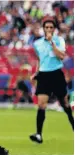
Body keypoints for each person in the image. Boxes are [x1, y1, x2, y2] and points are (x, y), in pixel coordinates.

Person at [30, 16, 73, 144]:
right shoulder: (37, 44)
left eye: (51, 27)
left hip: (56, 74)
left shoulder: (59, 40)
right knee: (41, 104)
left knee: (64, 103)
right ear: (43, 29)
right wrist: (36, 73)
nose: (49, 29)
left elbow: (61, 56)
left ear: (54, 29)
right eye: (46, 27)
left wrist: (51, 43)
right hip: (44, 75)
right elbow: (39, 59)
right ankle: (39, 134)